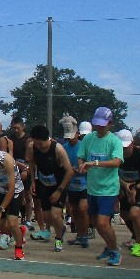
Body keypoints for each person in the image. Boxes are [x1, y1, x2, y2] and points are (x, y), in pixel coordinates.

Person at [77, 107, 123, 266]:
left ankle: (116, 250)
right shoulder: (88, 139)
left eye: (103, 124)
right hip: (92, 187)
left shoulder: (114, 141)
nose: (99, 127)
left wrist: (95, 163)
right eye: (97, 124)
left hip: (108, 189)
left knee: (104, 222)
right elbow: (81, 157)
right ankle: (109, 246)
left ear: (110, 123)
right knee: (96, 222)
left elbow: (117, 161)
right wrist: (82, 166)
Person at [27, 124, 74, 252]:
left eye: (40, 143)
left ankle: (58, 239)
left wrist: (59, 190)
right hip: (43, 183)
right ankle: (61, 228)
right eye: (36, 143)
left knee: (55, 215)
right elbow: (31, 163)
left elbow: (70, 171)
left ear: (47, 139)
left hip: (59, 184)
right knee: (47, 216)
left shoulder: (58, 149)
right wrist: (33, 181)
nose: (38, 146)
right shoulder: (32, 147)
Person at [117, 129, 140, 257]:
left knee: (135, 213)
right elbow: (113, 174)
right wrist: (124, 185)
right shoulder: (116, 155)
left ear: (132, 143)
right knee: (124, 214)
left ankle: (138, 244)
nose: (124, 150)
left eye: (126, 146)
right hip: (126, 187)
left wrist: (136, 188)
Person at [61, 117, 91, 248]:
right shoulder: (63, 147)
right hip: (72, 184)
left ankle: (85, 235)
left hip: (85, 183)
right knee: (74, 211)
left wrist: (82, 168)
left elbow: (90, 164)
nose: (70, 139)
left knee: (83, 208)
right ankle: (79, 235)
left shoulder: (84, 146)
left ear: (77, 133)